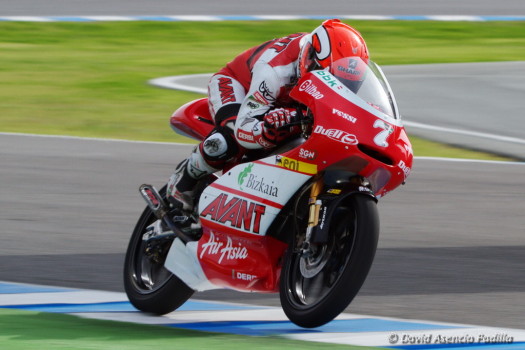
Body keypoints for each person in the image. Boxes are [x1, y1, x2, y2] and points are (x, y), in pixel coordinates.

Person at [167, 19, 370, 213]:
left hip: (287, 102)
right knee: (227, 139)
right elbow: (244, 129)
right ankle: (184, 180)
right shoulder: (274, 70)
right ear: (309, 59)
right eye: (330, 78)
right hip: (238, 85)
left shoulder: (341, 68)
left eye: (347, 83)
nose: (338, 86)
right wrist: (265, 130)